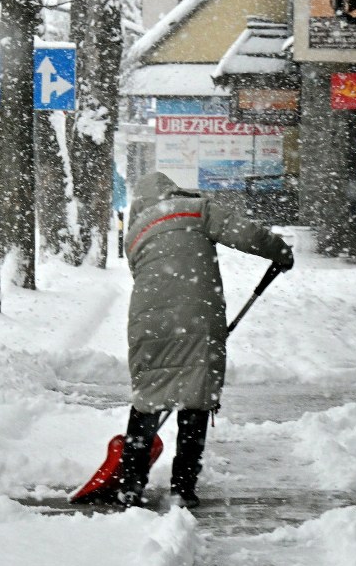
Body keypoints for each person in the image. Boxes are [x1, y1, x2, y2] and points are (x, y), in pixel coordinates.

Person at [117, 172, 294, 508]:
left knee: (148, 399)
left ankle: (130, 483)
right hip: (197, 317)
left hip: (148, 322)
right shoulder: (197, 210)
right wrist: (281, 252)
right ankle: (183, 488)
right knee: (196, 400)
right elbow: (248, 234)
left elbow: (145, 274)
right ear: (172, 191)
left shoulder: (136, 233)